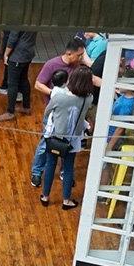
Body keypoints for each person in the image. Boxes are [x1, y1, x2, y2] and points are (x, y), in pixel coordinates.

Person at [29, 37, 85, 187]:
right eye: (79, 55)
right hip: (55, 114)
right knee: (45, 144)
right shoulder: (51, 64)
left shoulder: (77, 66)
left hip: (71, 115)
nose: (81, 58)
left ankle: (64, 172)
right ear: (69, 53)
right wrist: (56, 95)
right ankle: (37, 172)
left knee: (68, 144)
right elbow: (38, 84)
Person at [39, 65, 93, 210]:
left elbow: (47, 112)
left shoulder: (59, 97)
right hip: (73, 139)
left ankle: (45, 196)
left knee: (50, 165)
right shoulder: (88, 99)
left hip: (55, 137)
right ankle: (66, 200)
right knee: (68, 168)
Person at [0, 30, 37, 121]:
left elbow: (12, 38)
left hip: (17, 56)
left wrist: (5, 54)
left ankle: (10, 112)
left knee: (12, 84)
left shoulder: (18, 20)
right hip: (28, 53)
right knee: (24, 79)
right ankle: (26, 107)